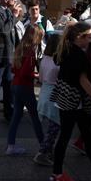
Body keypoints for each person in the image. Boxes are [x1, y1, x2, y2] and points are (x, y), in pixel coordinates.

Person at [48, 22, 91, 181]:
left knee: (82, 136)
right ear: (80, 37)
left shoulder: (66, 49)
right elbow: (83, 80)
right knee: (78, 136)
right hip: (75, 100)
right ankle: (57, 174)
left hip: (65, 97)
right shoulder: (78, 55)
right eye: (89, 37)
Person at [6, 25, 45, 156]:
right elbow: (25, 73)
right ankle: (44, 145)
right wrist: (37, 76)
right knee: (34, 116)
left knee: (16, 116)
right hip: (24, 87)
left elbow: (14, 69)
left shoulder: (19, 48)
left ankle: (11, 145)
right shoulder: (30, 52)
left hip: (15, 85)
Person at [34, 32, 62, 166]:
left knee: (51, 127)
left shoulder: (44, 59)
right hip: (54, 94)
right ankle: (43, 153)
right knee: (54, 127)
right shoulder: (58, 62)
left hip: (44, 92)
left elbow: (40, 78)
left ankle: (47, 152)